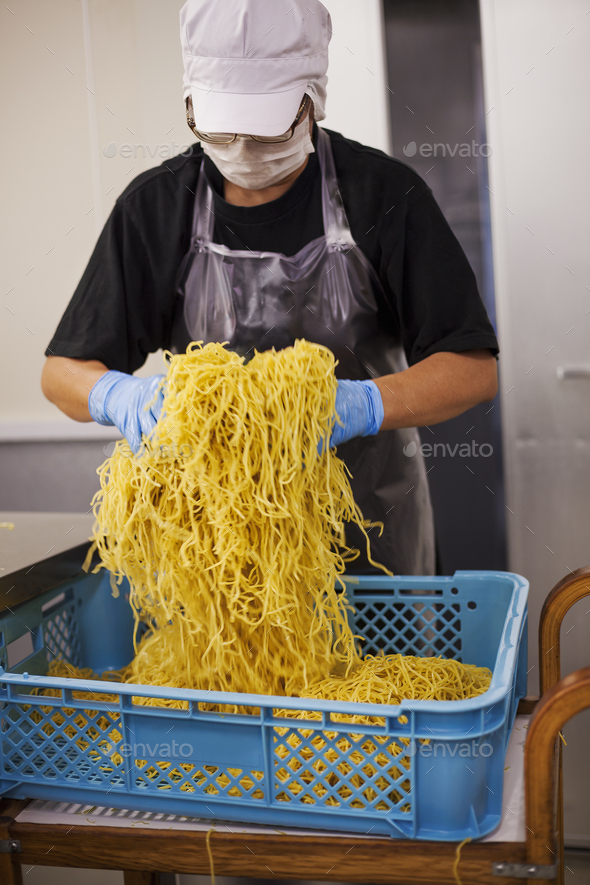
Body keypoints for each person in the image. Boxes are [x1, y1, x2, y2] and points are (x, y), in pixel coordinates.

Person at [41, 0, 498, 576]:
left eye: (266, 131)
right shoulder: (154, 208)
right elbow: (61, 374)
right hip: (217, 554)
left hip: (371, 540)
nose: (241, 151)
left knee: (379, 667)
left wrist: (357, 404)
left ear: (312, 102)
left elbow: (473, 368)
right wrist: (121, 397)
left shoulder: (383, 195)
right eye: (221, 129)